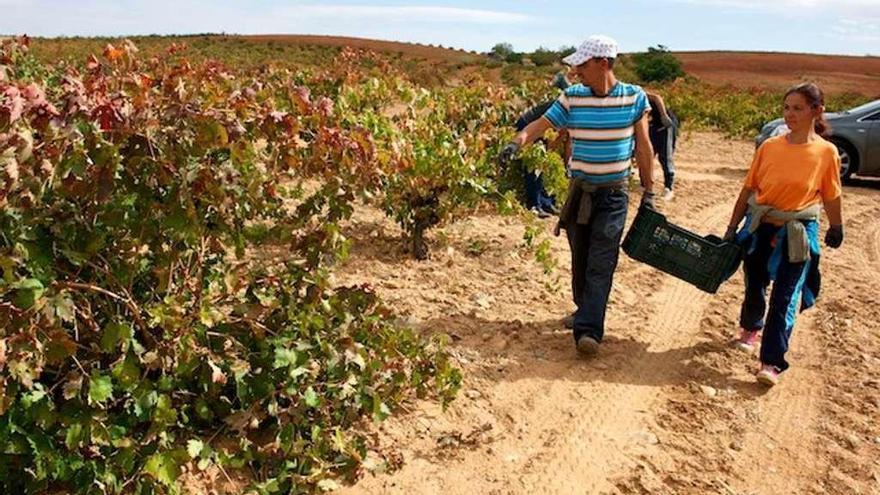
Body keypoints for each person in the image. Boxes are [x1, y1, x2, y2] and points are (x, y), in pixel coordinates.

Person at [499, 34, 655, 356]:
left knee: (602, 261)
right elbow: (540, 125)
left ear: (603, 63)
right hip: (579, 193)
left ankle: (589, 331)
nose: (576, 72)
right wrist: (516, 143)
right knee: (581, 259)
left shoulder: (634, 98)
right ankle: (584, 309)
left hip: (613, 196)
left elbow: (643, 146)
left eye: (581, 65)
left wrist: (649, 191)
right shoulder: (572, 98)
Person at [723, 82, 844, 386]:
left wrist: (836, 225)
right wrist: (732, 226)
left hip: (799, 231)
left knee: (785, 296)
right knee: (755, 281)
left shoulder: (826, 152)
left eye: (798, 108)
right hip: (762, 224)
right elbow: (749, 188)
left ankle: (771, 362)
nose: (790, 114)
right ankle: (751, 328)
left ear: (817, 111)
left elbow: (831, 194)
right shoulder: (769, 147)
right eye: (787, 107)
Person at [515, 72, 572, 217]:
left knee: (547, 164)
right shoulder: (569, 106)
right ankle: (533, 204)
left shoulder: (581, 110)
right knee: (535, 164)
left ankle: (546, 203)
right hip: (529, 126)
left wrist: (565, 163)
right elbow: (559, 133)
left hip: (546, 129)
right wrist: (547, 152)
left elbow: (566, 138)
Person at [646, 92, 678, 200]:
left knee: (665, 156)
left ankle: (668, 188)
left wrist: (663, 115)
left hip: (665, 124)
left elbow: (656, 97)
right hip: (652, 124)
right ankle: (645, 183)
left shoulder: (634, 92)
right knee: (648, 153)